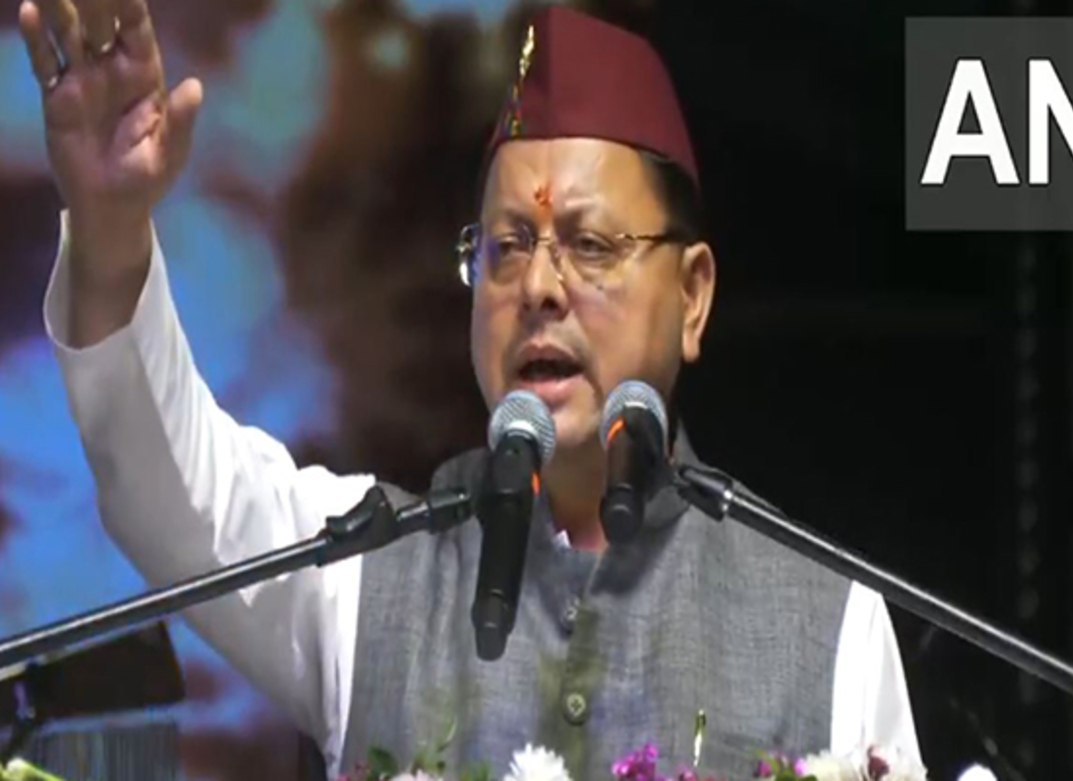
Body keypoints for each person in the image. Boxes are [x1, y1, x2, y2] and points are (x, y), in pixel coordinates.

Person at [18, 1, 922, 779]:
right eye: (506, 247)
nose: (540, 287)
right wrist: (109, 226)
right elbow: (166, 488)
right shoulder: (368, 574)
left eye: (591, 245)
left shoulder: (830, 624)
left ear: (692, 296)